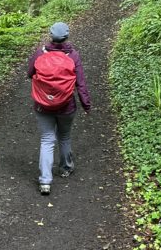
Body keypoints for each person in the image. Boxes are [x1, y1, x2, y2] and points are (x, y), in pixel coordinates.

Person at [27, 22, 91, 195]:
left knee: (47, 140)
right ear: (67, 36)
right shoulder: (73, 56)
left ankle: (45, 181)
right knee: (64, 136)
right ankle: (66, 168)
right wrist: (86, 104)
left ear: (50, 35)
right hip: (67, 106)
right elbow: (81, 83)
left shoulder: (40, 53)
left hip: (42, 105)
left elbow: (29, 73)